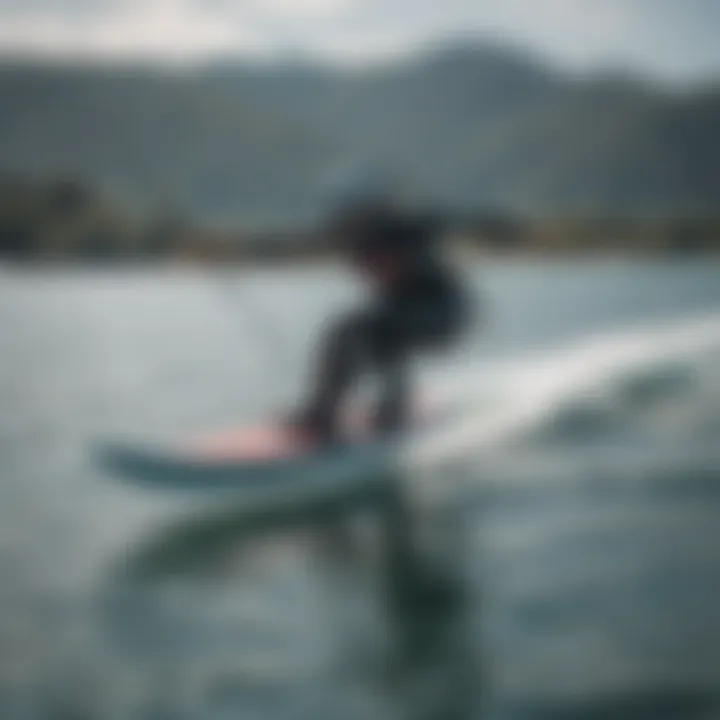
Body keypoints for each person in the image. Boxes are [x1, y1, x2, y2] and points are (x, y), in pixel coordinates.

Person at [290, 169, 471, 444]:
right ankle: (326, 411)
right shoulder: (361, 237)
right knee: (361, 332)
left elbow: (430, 226)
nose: (345, 220)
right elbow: (330, 240)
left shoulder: (402, 230)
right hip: (401, 314)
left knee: (359, 330)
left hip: (441, 314)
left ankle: (383, 411)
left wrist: (385, 243)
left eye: (351, 212)